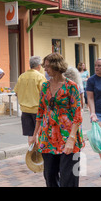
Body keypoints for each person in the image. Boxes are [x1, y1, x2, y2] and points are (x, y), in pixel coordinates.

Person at [31, 53, 83, 187]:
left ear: (57, 66)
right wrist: (35, 134)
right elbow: (40, 111)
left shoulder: (71, 86)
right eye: (44, 66)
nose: (45, 69)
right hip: (48, 136)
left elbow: (77, 115)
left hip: (67, 136)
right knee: (49, 176)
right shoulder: (45, 86)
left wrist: (72, 138)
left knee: (69, 177)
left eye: (48, 66)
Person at [14, 56, 47, 146]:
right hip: (37, 109)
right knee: (39, 133)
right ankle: (39, 155)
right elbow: (44, 93)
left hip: (24, 109)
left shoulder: (22, 76)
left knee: (30, 134)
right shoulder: (40, 77)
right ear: (39, 66)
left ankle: (32, 154)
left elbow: (16, 91)